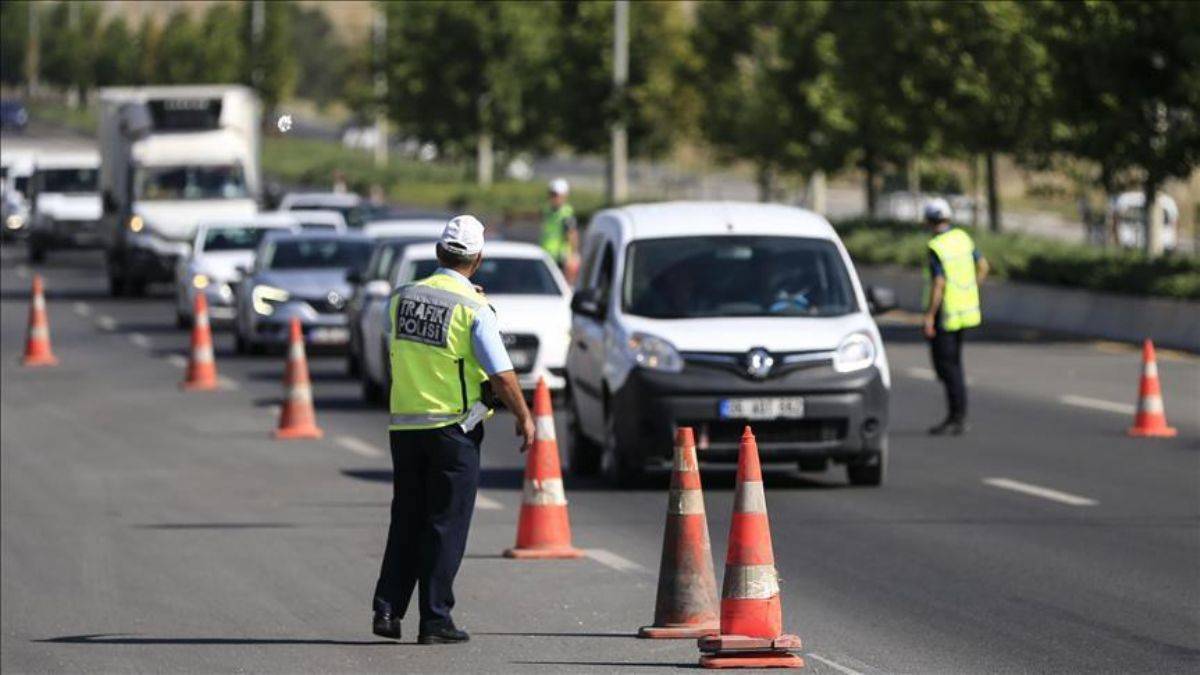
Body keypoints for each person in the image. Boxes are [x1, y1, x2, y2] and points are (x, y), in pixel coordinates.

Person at [372, 215, 535, 644]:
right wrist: (525, 416)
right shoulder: (473, 309)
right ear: (477, 260)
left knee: (406, 518)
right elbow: (500, 375)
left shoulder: (402, 298)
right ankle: (435, 619)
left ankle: (387, 610)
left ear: (439, 253)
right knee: (445, 524)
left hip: (405, 426)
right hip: (452, 429)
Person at [921, 197, 988, 436]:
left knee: (947, 367)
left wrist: (929, 316)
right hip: (965, 311)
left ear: (928, 221)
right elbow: (983, 266)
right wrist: (970, 289)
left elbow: (938, 283)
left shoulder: (936, 246)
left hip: (946, 314)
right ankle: (957, 415)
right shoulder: (962, 238)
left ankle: (956, 416)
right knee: (955, 365)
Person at [539, 178, 578, 271]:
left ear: (564, 196)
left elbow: (572, 234)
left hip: (560, 258)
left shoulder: (566, 213)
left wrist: (573, 255)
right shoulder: (547, 210)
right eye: (551, 194)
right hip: (545, 254)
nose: (553, 197)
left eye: (556, 195)